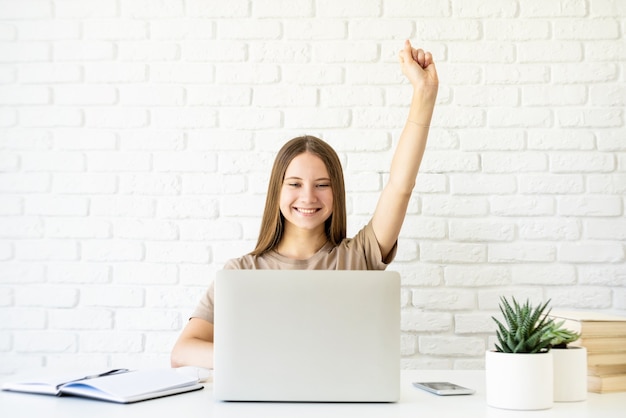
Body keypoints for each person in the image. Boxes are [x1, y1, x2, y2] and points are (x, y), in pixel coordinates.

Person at [170, 40, 438, 369]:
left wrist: (423, 94)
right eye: (295, 184)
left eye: (322, 185)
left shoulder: (357, 256)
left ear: (336, 192)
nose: (308, 197)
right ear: (277, 192)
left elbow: (400, 186)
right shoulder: (242, 272)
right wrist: (263, 359)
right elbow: (183, 352)